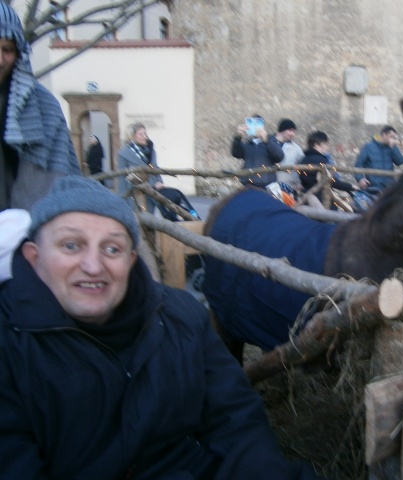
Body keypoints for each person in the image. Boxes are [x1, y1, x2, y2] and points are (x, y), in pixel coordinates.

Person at [0, 176, 322, 479]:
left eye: (112, 248)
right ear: (33, 257)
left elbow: (235, 418)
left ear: (130, 260)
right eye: (71, 245)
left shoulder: (181, 316)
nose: (93, 266)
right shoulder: (10, 347)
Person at [0, 3, 80, 212]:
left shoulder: (45, 107)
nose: (0, 60)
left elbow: (57, 186)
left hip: (29, 221)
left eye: (7, 50)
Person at [300, 131, 358, 209]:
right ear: (316, 145)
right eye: (325, 144)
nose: (326, 147)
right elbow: (331, 181)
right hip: (321, 199)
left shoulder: (303, 160)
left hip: (306, 199)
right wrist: (350, 186)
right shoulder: (320, 160)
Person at [117, 122, 164, 213]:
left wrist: (159, 181)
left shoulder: (150, 150)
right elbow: (121, 178)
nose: (144, 136)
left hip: (151, 190)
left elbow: (155, 168)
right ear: (132, 136)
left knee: (150, 217)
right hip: (134, 193)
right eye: (141, 134)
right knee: (137, 218)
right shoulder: (123, 153)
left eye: (145, 133)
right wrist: (123, 199)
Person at [231, 114, 284, 188]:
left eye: (257, 123)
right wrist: (238, 137)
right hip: (248, 184)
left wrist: (266, 140)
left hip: (266, 185)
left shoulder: (272, 141)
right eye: (251, 123)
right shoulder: (248, 144)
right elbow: (235, 153)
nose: (254, 127)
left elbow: (279, 157)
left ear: (262, 126)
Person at [354, 125, 403, 191]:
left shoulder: (392, 147)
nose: (393, 139)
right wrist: (360, 179)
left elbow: (400, 162)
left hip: (389, 187)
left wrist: (393, 148)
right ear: (384, 135)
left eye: (394, 137)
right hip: (372, 186)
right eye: (391, 136)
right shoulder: (368, 147)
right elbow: (358, 164)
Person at [275, 118, 305, 194]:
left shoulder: (296, 148)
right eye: (290, 130)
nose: (292, 134)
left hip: (289, 187)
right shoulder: (270, 144)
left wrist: (299, 182)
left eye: (294, 131)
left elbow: (303, 166)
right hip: (270, 186)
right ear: (282, 130)